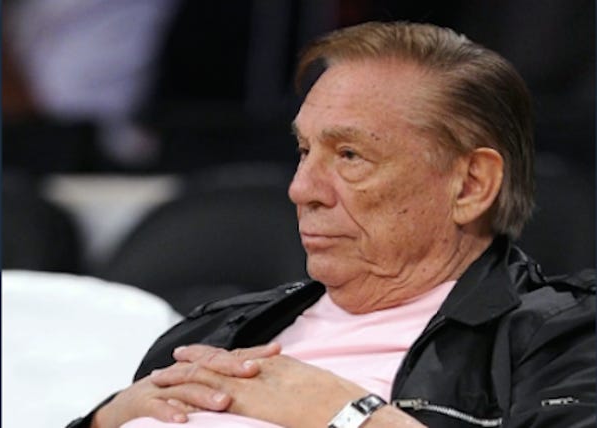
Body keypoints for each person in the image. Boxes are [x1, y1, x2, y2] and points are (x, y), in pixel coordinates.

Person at [68, 21, 595, 428]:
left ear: (471, 185)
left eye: (349, 155)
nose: (301, 189)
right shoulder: (213, 331)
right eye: (304, 150)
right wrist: (102, 421)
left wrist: (349, 415)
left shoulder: (562, 337)